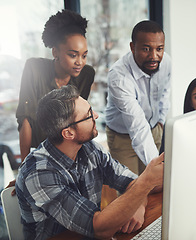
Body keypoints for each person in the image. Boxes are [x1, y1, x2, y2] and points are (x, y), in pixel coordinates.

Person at [15, 85, 164, 240]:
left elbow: (132, 182)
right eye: (88, 115)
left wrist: (139, 205)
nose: (96, 116)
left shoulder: (89, 148)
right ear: (68, 133)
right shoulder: (39, 173)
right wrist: (146, 182)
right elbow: (98, 228)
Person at [16, 9, 95, 162]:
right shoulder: (34, 69)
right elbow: (25, 119)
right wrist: (24, 168)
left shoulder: (87, 74)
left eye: (84, 55)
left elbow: (77, 119)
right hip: (37, 152)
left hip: (68, 152)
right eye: (73, 55)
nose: (80, 62)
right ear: (55, 52)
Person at [105, 20, 171, 174]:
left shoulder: (166, 62)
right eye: (146, 49)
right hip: (122, 139)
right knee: (132, 190)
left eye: (159, 49)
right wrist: (158, 169)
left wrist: (160, 121)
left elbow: (165, 92)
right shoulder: (119, 77)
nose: (154, 56)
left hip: (154, 129)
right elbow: (137, 124)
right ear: (132, 47)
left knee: (154, 189)